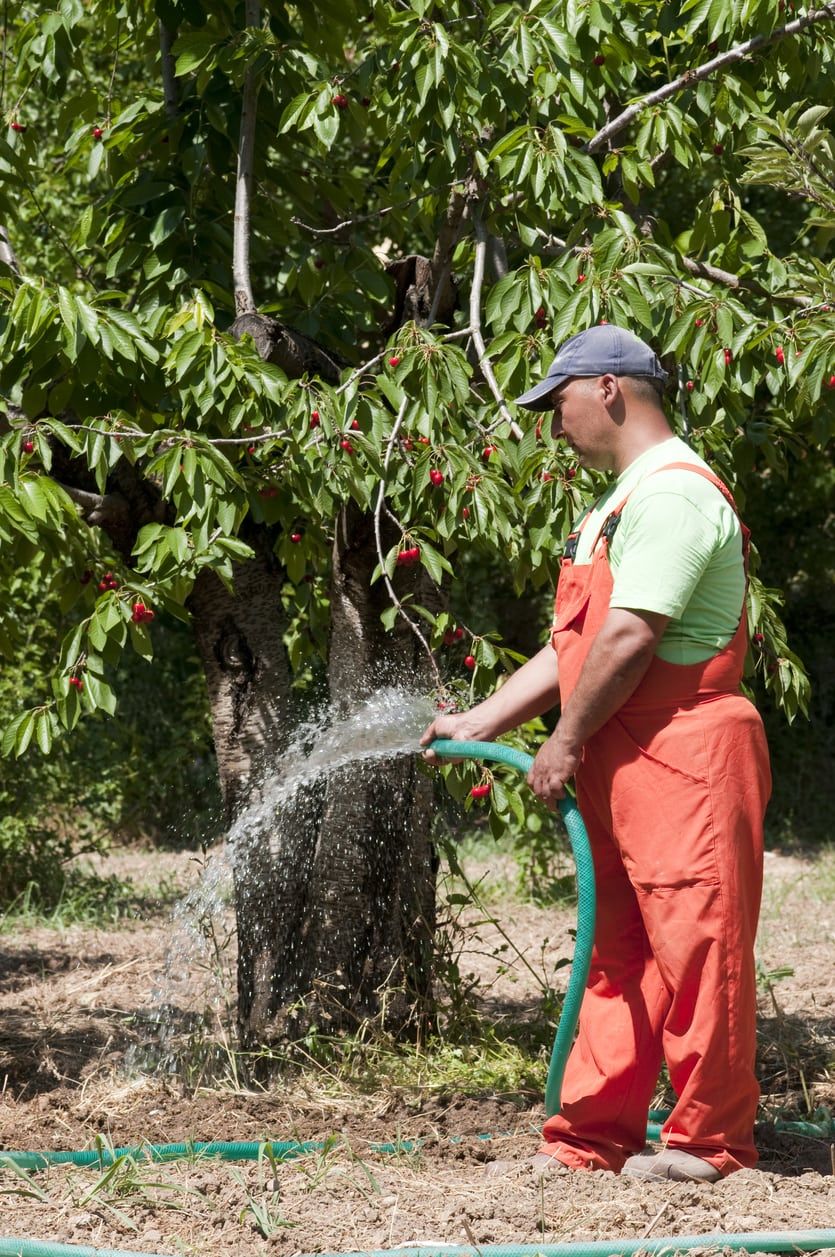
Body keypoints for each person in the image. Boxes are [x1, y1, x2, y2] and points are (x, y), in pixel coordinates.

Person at [421, 324, 771, 1183]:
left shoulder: (674, 494)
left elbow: (630, 635)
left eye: (560, 402)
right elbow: (573, 646)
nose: (555, 423)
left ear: (608, 389)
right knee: (618, 951)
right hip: (626, 750)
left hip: (685, 749)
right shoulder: (620, 501)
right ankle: (590, 1136)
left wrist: (564, 741)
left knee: (698, 944)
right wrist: (482, 721)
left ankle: (707, 1145)